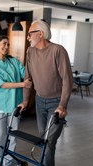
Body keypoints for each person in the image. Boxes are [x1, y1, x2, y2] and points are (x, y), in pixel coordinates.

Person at [18, 20, 73, 166]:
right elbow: (27, 78)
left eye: (30, 34)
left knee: (48, 142)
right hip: (39, 101)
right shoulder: (30, 51)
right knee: (44, 140)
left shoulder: (58, 50)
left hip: (56, 103)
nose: (28, 37)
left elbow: (67, 79)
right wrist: (25, 100)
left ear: (40, 34)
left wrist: (62, 105)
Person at [0, 35, 32, 166]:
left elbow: (26, 74)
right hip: (0, 105)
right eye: (4, 44)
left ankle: (9, 161)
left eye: (8, 45)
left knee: (13, 136)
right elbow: (2, 84)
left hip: (15, 105)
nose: (6, 47)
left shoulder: (14, 62)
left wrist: (31, 57)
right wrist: (23, 84)